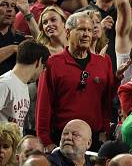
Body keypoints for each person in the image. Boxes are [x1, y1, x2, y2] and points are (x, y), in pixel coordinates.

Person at [36, 12, 115, 152]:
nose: (86, 34)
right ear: (67, 32)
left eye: (89, 30)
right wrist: (45, 140)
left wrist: (105, 130)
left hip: (95, 139)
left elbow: (106, 102)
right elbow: (44, 105)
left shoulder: (103, 63)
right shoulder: (53, 63)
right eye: (81, 29)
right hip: (62, 139)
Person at [0, 40, 48, 134]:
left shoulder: (24, 86)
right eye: (44, 66)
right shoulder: (5, 84)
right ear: (38, 62)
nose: (42, 71)